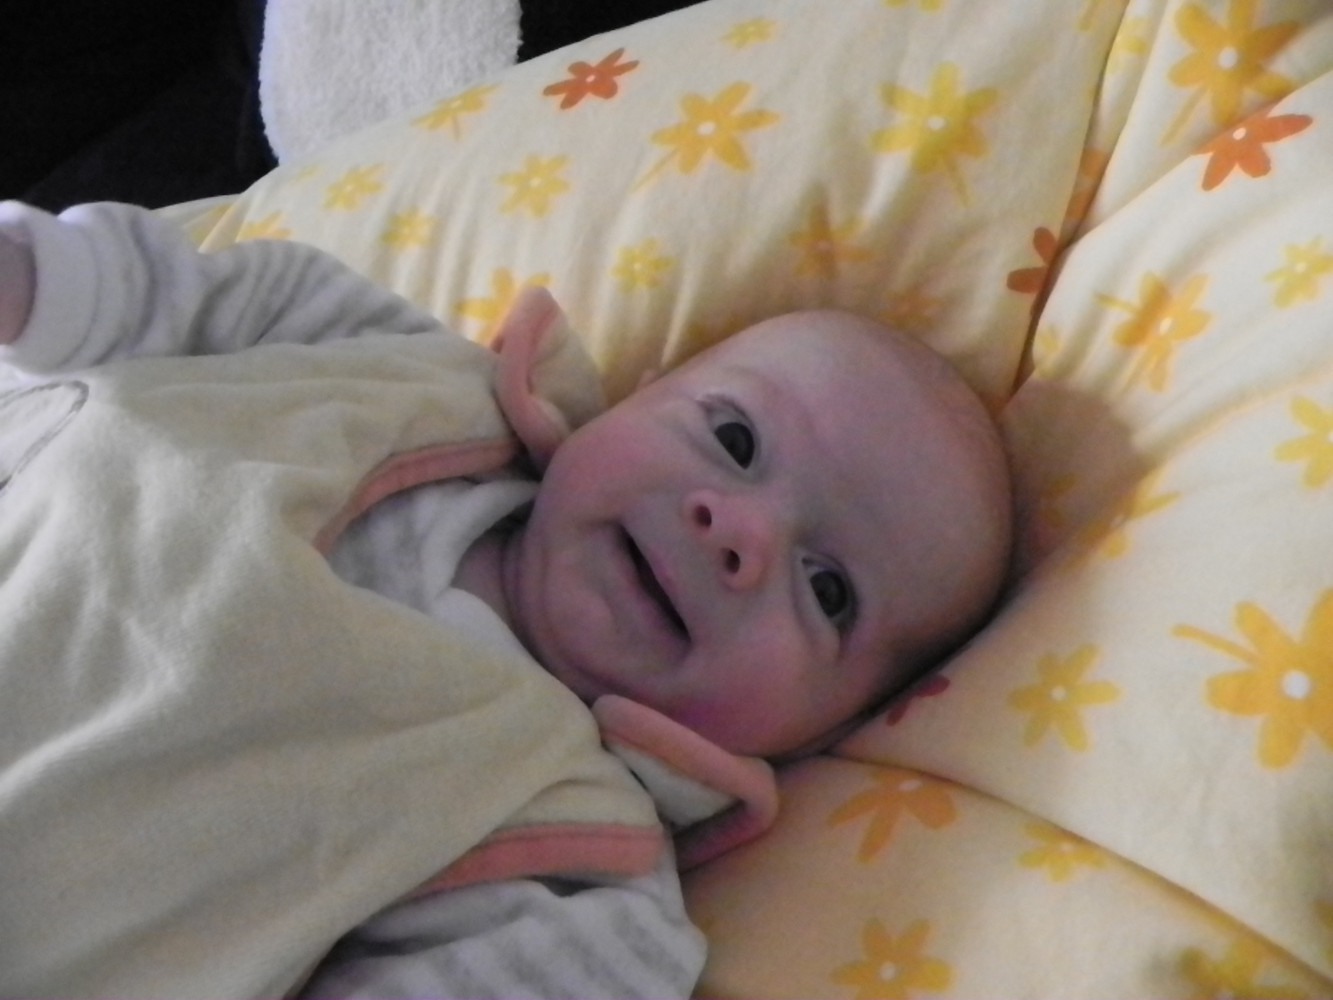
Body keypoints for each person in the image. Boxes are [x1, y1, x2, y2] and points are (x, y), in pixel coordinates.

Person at [0, 200, 1012, 998]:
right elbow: (194, 301)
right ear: (635, 395)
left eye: (828, 590)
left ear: (825, 730)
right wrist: (35, 280)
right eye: (734, 439)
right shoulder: (409, 373)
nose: (740, 532)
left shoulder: (577, 876)